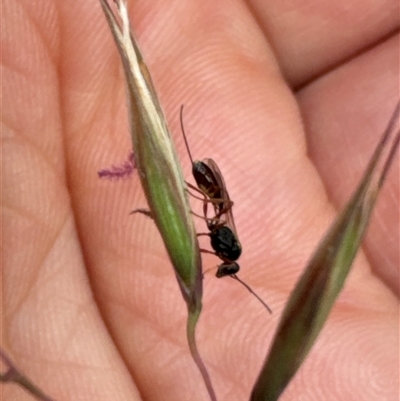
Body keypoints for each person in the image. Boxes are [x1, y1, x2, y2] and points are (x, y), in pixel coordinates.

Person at [2, 1, 398, 400]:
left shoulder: (226, 248)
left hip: (208, 194)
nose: (224, 268)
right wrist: (200, 207)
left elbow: (214, 225)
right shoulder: (227, 243)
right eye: (228, 267)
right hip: (209, 188)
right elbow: (217, 220)